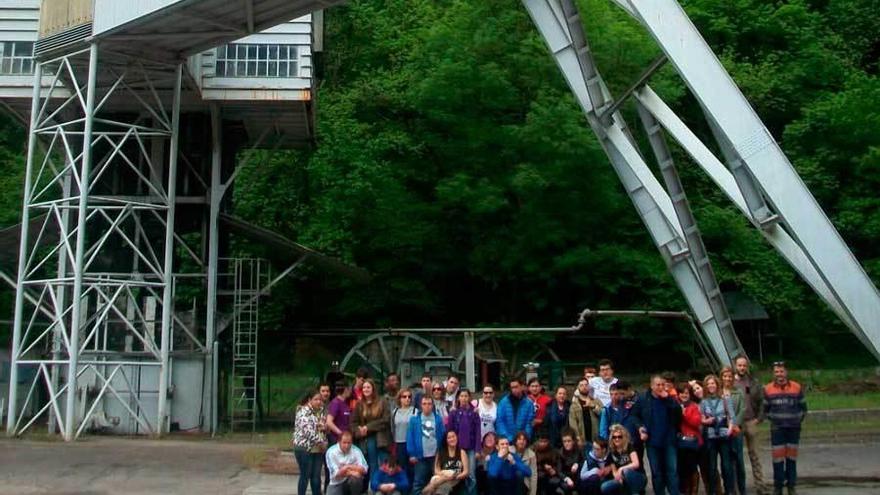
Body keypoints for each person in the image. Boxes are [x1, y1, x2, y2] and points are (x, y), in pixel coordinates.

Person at [632, 375, 681, 495]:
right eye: (658, 385)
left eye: (663, 385)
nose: (661, 387)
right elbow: (634, 415)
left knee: (672, 471)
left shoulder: (670, 399)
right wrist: (640, 427)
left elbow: (678, 414)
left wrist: (668, 399)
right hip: (652, 441)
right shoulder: (643, 399)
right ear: (652, 385)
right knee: (656, 472)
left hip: (669, 440)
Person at [763, 361, 806, 495]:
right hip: (777, 429)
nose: (779, 374)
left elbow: (803, 408)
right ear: (773, 373)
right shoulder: (768, 389)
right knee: (778, 459)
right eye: (776, 372)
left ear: (786, 372)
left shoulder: (797, 387)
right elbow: (765, 409)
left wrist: (796, 419)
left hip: (793, 428)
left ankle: (791, 485)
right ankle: (778, 487)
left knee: (791, 459)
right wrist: (775, 419)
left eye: (781, 371)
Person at [734, 354, 769, 495]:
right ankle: (736, 487)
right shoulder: (730, 382)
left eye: (744, 365)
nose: (742, 368)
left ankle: (760, 485)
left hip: (751, 421)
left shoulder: (754, 382)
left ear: (747, 367)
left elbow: (762, 402)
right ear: (735, 366)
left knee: (755, 455)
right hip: (737, 423)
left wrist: (759, 419)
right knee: (736, 456)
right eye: (739, 365)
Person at [352, 379, 392, 488]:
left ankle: (384, 488)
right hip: (366, 439)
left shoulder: (382, 401)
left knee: (384, 465)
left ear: (373, 389)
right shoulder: (359, 404)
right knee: (371, 465)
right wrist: (359, 430)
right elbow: (353, 422)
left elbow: (385, 420)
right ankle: (374, 488)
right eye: (364, 387)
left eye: (368, 387)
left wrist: (368, 427)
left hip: (381, 438)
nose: (366, 389)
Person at [700, 374, 735, 495]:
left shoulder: (725, 398)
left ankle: (729, 490)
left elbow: (732, 416)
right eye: (708, 384)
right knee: (712, 466)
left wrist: (730, 429)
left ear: (717, 384)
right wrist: (707, 421)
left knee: (726, 465)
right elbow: (701, 418)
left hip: (724, 434)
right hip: (711, 436)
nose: (711, 386)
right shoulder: (704, 402)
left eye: (713, 383)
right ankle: (713, 491)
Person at [408, 396, 446, 495]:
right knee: (418, 482)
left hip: (435, 456)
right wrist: (412, 454)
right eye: (424, 404)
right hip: (420, 456)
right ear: (421, 405)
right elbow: (410, 437)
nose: (427, 406)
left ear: (432, 405)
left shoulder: (438, 419)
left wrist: (441, 452)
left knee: (436, 481)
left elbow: (442, 436)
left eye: (429, 404)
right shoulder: (414, 420)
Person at [294, 389, 328, 495]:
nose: (318, 402)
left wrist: (324, 427)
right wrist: (321, 442)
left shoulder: (320, 411)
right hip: (305, 448)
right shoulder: (303, 412)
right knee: (305, 475)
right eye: (315, 399)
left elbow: (323, 426)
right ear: (309, 400)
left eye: (320, 399)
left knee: (316, 476)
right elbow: (307, 432)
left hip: (317, 449)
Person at [448, 389, 480, 495]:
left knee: (471, 475)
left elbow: (477, 432)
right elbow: (450, 431)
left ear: (469, 398)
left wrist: (477, 450)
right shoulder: (454, 413)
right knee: (459, 474)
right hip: (458, 449)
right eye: (461, 396)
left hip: (470, 449)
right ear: (458, 398)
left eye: (466, 396)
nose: (464, 398)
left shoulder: (474, 413)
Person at [721, 366, 747, 495]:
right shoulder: (718, 392)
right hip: (723, 432)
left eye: (730, 376)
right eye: (725, 376)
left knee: (739, 463)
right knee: (726, 464)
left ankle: (742, 490)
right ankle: (729, 490)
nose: (727, 378)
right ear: (721, 377)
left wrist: (735, 423)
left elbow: (742, 409)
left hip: (736, 431)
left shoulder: (739, 392)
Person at [601, 424, 647, 495]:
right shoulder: (611, 452)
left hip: (638, 477)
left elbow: (636, 464)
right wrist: (618, 477)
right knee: (604, 487)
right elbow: (614, 472)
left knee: (626, 472)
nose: (617, 439)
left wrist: (621, 468)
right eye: (614, 437)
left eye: (619, 437)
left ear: (623, 437)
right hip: (623, 479)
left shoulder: (629, 446)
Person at [676, 383, 702, 495]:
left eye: (686, 393)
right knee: (681, 468)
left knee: (692, 467)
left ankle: (694, 491)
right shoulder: (675, 406)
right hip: (679, 441)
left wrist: (684, 415)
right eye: (681, 393)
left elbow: (696, 423)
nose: (684, 395)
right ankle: (685, 490)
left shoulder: (694, 406)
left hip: (692, 442)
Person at [423, 430, 468, 495]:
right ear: (446, 440)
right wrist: (446, 477)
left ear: (457, 437)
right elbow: (436, 470)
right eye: (449, 438)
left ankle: (431, 486)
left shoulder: (462, 452)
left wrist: (454, 477)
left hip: (456, 478)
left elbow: (466, 472)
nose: (452, 439)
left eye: (453, 436)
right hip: (443, 476)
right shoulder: (440, 452)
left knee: (446, 480)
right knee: (443, 484)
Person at [325, 431, 369, 495]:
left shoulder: (356, 450)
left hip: (351, 481)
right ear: (339, 442)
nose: (347, 445)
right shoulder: (331, 452)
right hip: (336, 482)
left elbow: (364, 469)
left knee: (355, 480)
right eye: (344, 443)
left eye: (349, 443)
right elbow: (336, 474)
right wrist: (352, 471)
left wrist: (348, 467)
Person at [392, 388, 418, 491]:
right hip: (399, 443)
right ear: (400, 398)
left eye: (409, 397)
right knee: (402, 469)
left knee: (412, 470)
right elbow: (392, 428)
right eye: (404, 397)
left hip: (411, 443)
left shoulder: (415, 411)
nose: (407, 399)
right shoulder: (395, 412)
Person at [570, 378, 602, 447]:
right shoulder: (574, 404)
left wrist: (593, 406)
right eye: (581, 385)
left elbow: (603, 414)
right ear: (578, 387)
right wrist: (577, 437)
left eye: (586, 385)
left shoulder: (596, 401)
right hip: (582, 439)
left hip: (596, 438)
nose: (584, 387)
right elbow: (573, 423)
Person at [557, 429, 584, 494]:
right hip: (566, 478)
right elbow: (559, 471)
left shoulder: (578, 450)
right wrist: (567, 479)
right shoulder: (560, 453)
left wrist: (577, 464)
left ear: (573, 441)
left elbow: (584, 462)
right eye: (564, 441)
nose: (566, 443)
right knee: (566, 487)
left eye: (569, 441)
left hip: (577, 477)